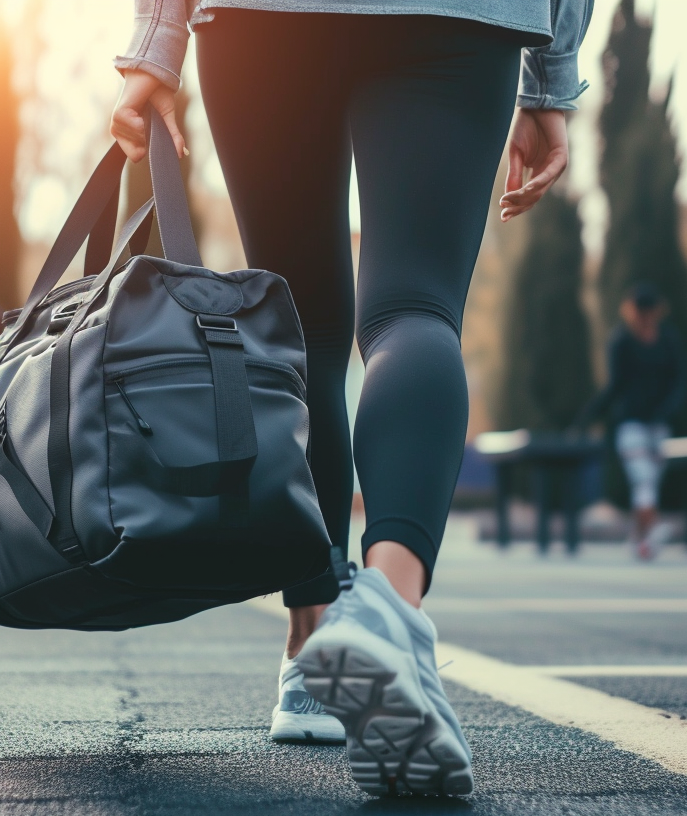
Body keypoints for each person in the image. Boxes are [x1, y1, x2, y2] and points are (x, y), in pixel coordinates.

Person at [110, 0, 592, 796]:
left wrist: (154, 45)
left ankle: (312, 646)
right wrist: (552, 75)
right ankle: (391, 607)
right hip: (458, 18)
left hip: (263, 19)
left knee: (303, 328)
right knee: (415, 310)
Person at [575, 282, 687, 561]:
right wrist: (588, 417)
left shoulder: (669, 339)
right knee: (643, 478)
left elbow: (679, 381)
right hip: (631, 424)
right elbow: (614, 386)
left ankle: (639, 540)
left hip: (659, 425)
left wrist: (668, 410)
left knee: (647, 484)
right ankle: (655, 528)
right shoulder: (621, 341)